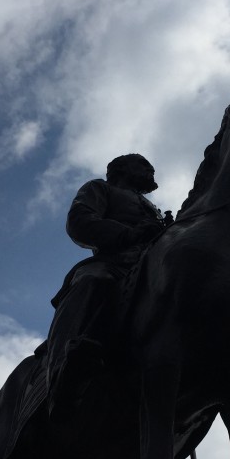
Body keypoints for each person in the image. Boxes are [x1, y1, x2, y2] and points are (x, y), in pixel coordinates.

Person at [45, 153, 170, 415]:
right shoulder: (98, 188)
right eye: (142, 164)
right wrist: (129, 234)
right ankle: (62, 373)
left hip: (150, 265)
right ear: (121, 169)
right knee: (94, 281)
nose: (150, 169)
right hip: (114, 263)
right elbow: (80, 222)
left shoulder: (152, 208)